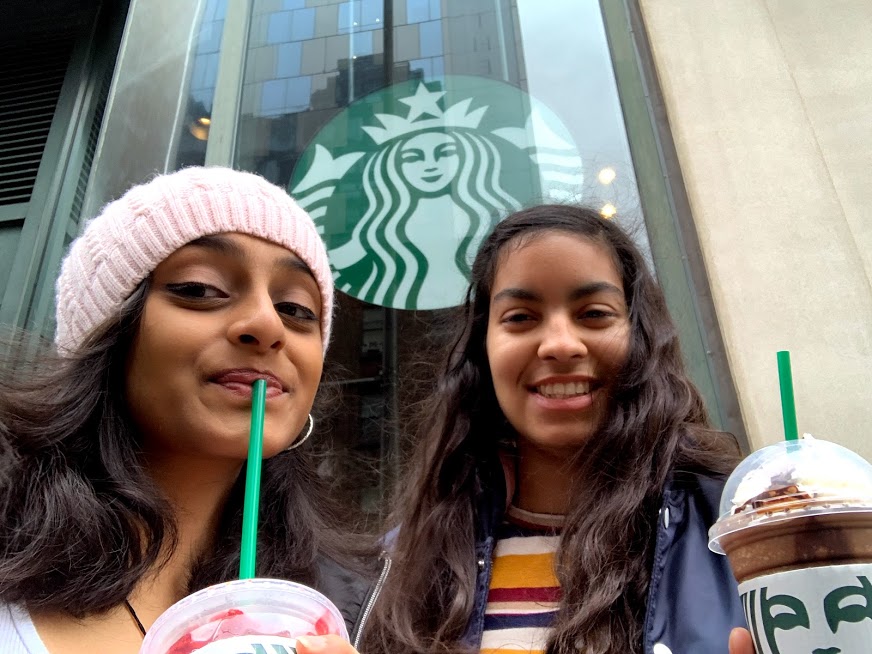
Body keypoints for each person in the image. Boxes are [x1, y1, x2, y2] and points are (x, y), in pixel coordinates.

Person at [0, 167, 379, 654]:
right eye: (199, 288)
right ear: (106, 336)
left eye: (296, 308)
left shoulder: (351, 607)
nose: (267, 324)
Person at [362, 204, 752, 654]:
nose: (561, 344)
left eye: (594, 313)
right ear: (482, 350)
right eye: (521, 318)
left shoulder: (735, 530)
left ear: (640, 336)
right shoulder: (403, 562)